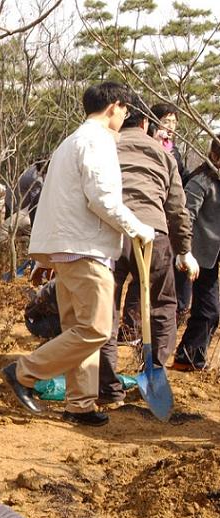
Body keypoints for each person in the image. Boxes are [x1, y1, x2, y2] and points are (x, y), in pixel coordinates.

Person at [0, 82, 155, 427]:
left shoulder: (70, 142)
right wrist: (138, 228)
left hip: (69, 250)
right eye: (126, 110)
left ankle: (80, 403)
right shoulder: (96, 142)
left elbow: (59, 203)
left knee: (78, 328)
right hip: (87, 249)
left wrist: (45, 258)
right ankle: (23, 372)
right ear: (115, 106)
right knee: (97, 329)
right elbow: (102, 199)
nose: (125, 116)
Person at [98, 96, 195, 406]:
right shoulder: (164, 155)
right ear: (145, 124)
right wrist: (185, 250)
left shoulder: (105, 146)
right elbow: (178, 209)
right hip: (154, 234)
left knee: (107, 309)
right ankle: (154, 371)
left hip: (112, 234)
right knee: (164, 304)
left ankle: (109, 389)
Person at [172, 137, 220, 371]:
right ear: (215, 157)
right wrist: (184, 252)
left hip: (209, 258)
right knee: (183, 306)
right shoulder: (201, 181)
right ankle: (184, 358)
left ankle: (188, 357)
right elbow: (186, 216)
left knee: (210, 310)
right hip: (191, 255)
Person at [150, 103, 192, 319]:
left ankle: (180, 308)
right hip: (153, 216)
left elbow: (183, 180)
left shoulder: (174, 150)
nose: (171, 127)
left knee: (178, 259)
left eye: (174, 122)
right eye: (166, 121)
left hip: (172, 215)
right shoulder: (148, 145)